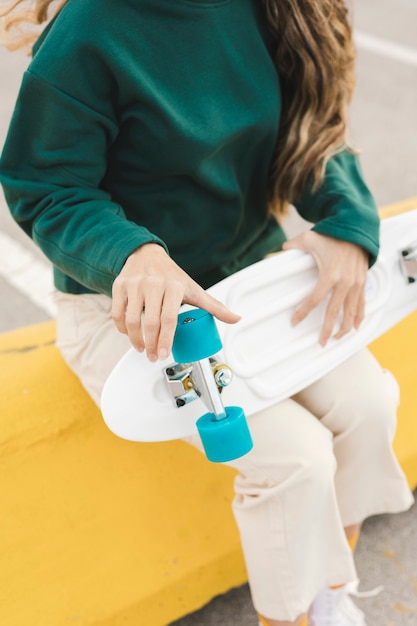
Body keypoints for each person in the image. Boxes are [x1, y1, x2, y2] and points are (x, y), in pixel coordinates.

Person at [0, 1, 413, 624]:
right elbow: (46, 185)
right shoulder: (91, 26)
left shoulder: (275, 7)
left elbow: (313, 130)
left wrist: (350, 225)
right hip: (127, 308)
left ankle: (329, 595)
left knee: (370, 406)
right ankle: (292, 617)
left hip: (250, 284)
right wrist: (128, 253)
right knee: (295, 459)